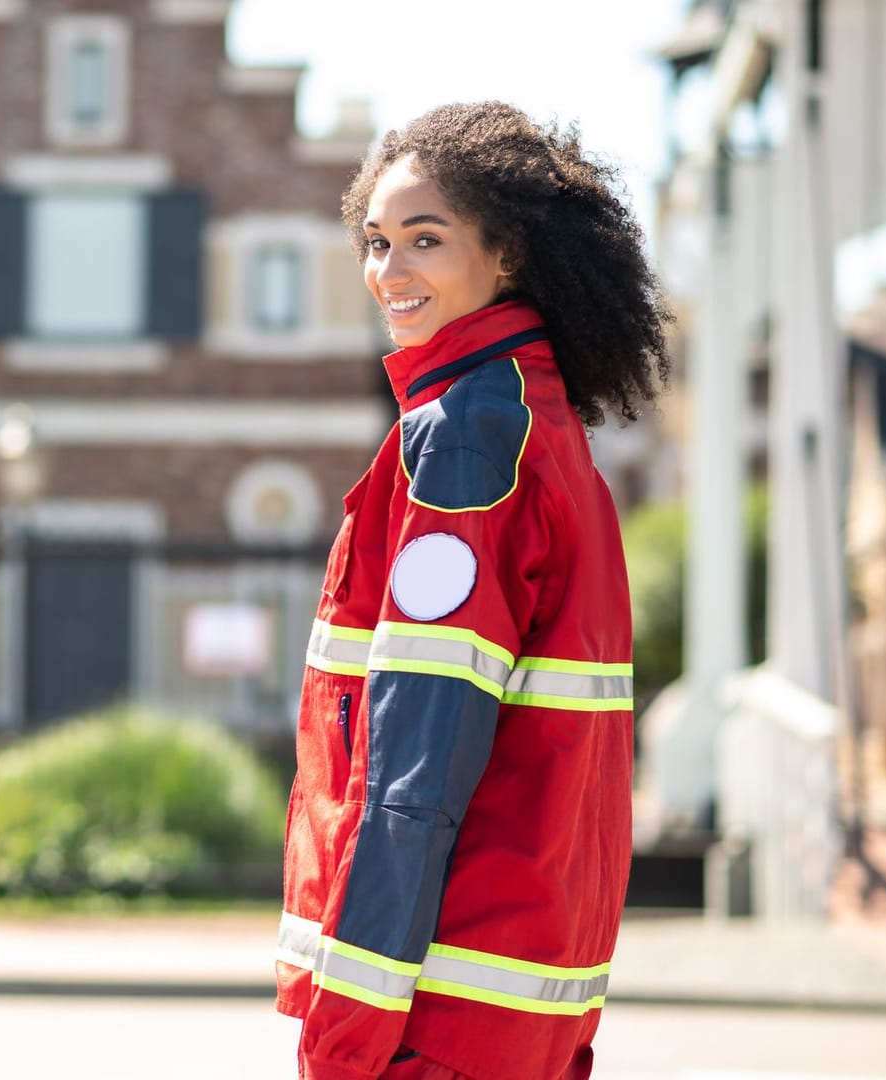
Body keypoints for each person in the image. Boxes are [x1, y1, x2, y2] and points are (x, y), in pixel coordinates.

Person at [275, 101, 671, 1080]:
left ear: (505, 257)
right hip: (517, 1008)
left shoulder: (462, 440)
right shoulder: (549, 432)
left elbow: (416, 762)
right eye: (376, 241)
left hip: (431, 1020)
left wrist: (348, 1036)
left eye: (425, 239)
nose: (388, 271)